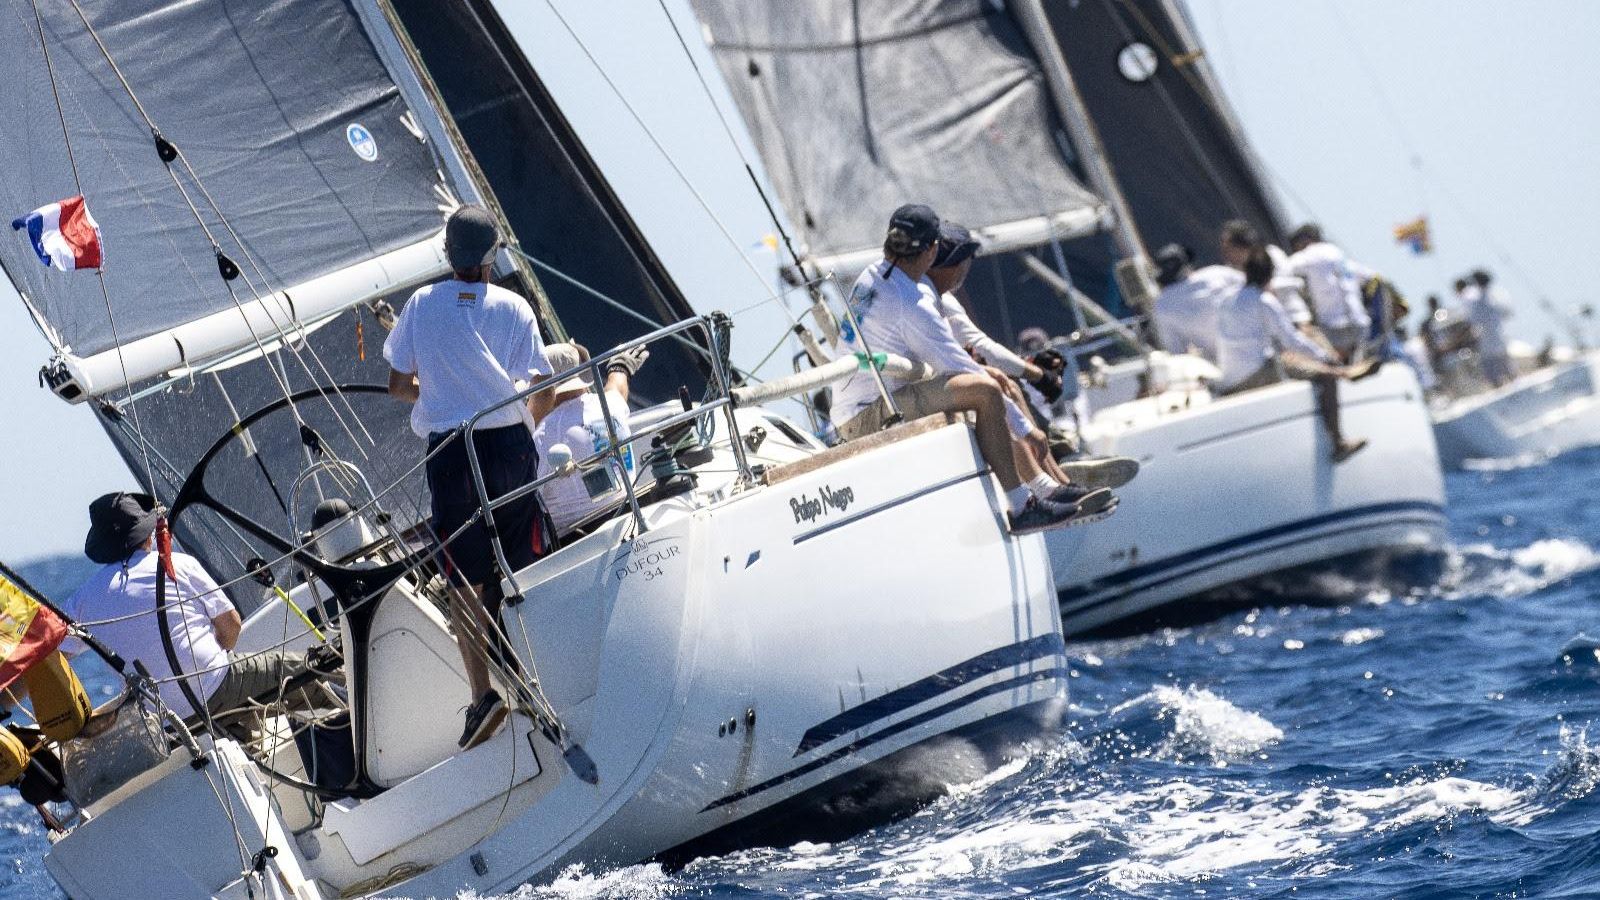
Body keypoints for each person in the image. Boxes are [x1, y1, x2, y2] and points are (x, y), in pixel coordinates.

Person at [831, 204, 1112, 533]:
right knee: (985, 391)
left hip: (858, 407)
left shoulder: (873, 275)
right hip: (868, 415)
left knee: (989, 380)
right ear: (933, 249)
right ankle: (1023, 506)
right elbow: (961, 366)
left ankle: (1045, 488)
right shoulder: (912, 303)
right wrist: (1026, 428)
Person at [384, 204, 553, 750]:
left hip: (452, 453)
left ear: (447, 254)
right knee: (525, 555)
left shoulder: (420, 305)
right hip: (508, 444)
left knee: (465, 577)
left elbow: (397, 385)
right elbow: (541, 386)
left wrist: (432, 391)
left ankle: (484, 697)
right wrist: (522, 424)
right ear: (491, 256)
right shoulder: (515, 307)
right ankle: (544, 665)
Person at [925, 223, 1138, 492]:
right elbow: (979, 348)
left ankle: (1060, 473)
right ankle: (1049, 478)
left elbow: (978, 347)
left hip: (932, 382)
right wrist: (1039, 377)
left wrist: (1032, 375)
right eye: (966, 264)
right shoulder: (929, 299)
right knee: (996, 390)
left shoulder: (935, 295)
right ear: (953, 263)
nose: (964, 273)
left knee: (1008, 385)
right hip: (920, 391)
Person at [61, 492, 305, 722]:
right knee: (311, 672)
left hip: (167, 723)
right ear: (147, 533)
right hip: (220, 687)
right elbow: (231, 626)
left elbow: (53, 657)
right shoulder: (179, 564)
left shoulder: (82, 600)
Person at [1217, 248, 1378, 462]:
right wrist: (1325, 355)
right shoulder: (1263, 300)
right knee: (1323, 377)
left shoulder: (1228, 300)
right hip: (1257, 374)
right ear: (1270, 274)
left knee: (1288, 358)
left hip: (1228, 378)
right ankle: (1339, 441)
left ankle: (1341, 371)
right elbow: (1292, 340)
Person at [529, 342, 649, 537]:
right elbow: (617, 388)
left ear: (541, 389)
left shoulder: (542, 436)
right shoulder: (610, 404)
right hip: (631, 516)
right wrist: (620, 367)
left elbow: (524, 503)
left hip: (578, 539)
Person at [1287, 223, 1376, 362]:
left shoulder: (1308, 254)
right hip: (1359, 322)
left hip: (1335, 326)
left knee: (1332, 361)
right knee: (1357, 362)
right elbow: (1369, 277)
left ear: (1304, 241)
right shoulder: (1338, 254)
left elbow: (1285, 269)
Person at [1219, 220, 1318, 337]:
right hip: (1263, 333)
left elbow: (1289, 283)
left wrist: (1262, 287)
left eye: (1228, 248)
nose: (1224, 253)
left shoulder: (1272, 254)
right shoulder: (1230, 271)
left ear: (1240, 246)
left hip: (1295, 323)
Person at [1150, 242, 1242, 364]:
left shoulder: (1162, 305)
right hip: (1262, 353)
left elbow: (1177, 353)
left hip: (1226, 369)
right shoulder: (1219, 273)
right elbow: (1257, 292)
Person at [1464, 268, 1515, 386]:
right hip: (1501, 333)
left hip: (1487, 338)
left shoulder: (1477, 301)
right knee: (1507, 365)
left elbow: (1473, 320)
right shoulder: (1499, 294)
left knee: (1492, 369)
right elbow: (1508, 312)